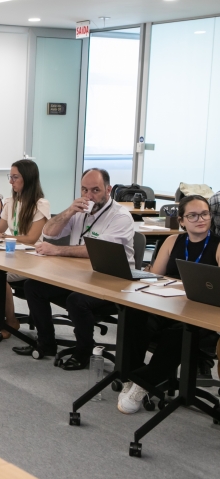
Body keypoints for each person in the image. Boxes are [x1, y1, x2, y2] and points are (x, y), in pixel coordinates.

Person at [13, 168, 135, 370]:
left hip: (112, 282)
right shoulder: (80, 212)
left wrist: (57, 250)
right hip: (80, 276)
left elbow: (95, 252)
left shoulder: (120, 217)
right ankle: (46, 343)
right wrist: (70, 211)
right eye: (84, 190)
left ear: (108, 189)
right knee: (33, 287)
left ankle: (84, 351)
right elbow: (49, 232)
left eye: (95, 190)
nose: (89, 196)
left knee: (76, 300)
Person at [117, 195, 220, 414]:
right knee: (133, 314)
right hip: (168, 305)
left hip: (202, 315)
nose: (200, 219)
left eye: (204, 214)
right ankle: (129, 376)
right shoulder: (173, 241)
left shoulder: (218, 246)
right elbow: (156, 276)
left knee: (179, 332)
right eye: (192, 215)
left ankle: (142, 383)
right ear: (182, 220)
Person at [0, 159, 49, 338]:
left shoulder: (40, 204)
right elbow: (0, 230)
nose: (11, 181)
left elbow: (32, 239)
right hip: (13, 254)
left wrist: (4, 236)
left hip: (33, 258)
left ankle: (11, 321)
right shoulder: (10, 201)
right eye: (10, 176)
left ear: (28, 178)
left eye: (15, 177)